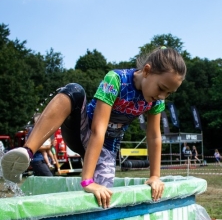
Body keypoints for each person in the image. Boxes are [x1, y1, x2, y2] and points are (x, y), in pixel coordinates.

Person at [1, 47, 186, 208]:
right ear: (146, 71)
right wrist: (87, 180)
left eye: (169, 93)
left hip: (106, 149)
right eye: (161, 88)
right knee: (75, 90)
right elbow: (98, 130)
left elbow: (154, 137)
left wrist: (155, 176)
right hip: (81, 132)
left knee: (103, 197)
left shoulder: (155, 102)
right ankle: (28, 151)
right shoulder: (116, 79)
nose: (162, 96)